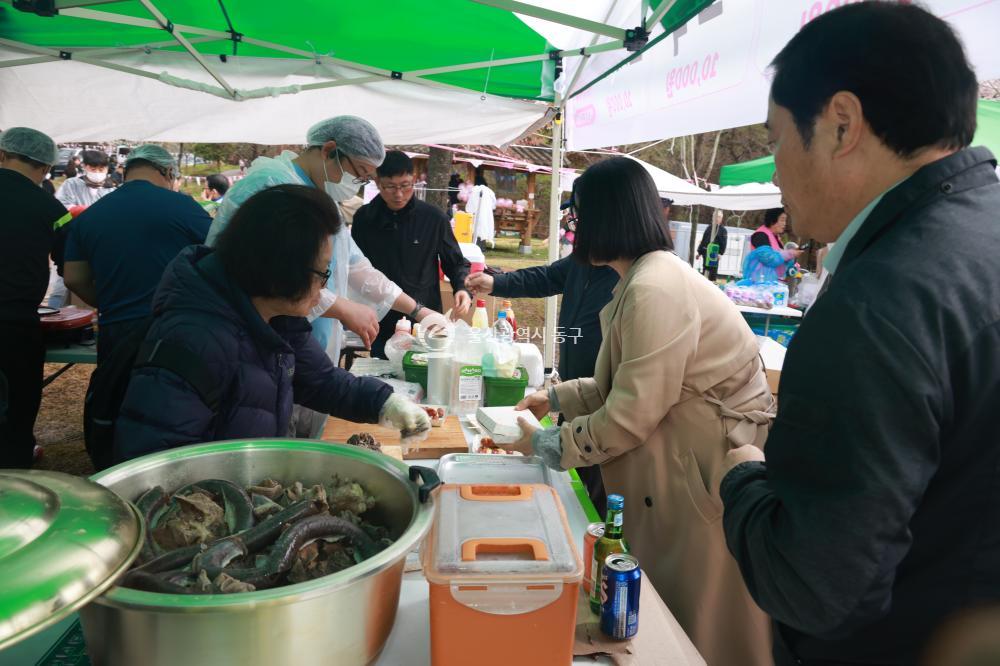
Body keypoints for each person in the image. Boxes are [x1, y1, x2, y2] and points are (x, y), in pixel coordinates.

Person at [718, 4, 1000, 665]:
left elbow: (814, 588)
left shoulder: (879, 303)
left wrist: (741, 480)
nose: (775, 170)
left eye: (778, 137)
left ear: (841, 124)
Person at [512, 157, 775, 665]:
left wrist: (547, 443)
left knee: (698, 614)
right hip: (686, 448)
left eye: (578, 216)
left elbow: (631, 414)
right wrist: (558, 397)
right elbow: (629, 380)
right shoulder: (642, 277)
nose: (573, 228)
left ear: (604, 218)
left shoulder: (654, 287)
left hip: (704, 464)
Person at [114, 185, 429, 462]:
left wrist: (385, 402)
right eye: (323, 273)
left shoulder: (276, 316)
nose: (325, 287)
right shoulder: (193, 340)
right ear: (281, 269)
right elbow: (156, 465)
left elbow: (320, 381)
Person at [206, 116, 448, 439]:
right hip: (256, 353)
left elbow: (357, 267)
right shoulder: (272, 187)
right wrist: (342, 307)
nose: (357, 185)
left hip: (302, 355)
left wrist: (419, 311)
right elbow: (272, 278)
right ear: (330, 151)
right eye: (358, 173)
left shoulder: (324, 199)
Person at [465, 234, 618, 515]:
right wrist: (497, 282)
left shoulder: (627, 274)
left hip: (607, 404)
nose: (578, 228)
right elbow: (546, 277)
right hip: (574, 395)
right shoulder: (584, 258)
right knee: (575, 489)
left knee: (600, 495)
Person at [63, 144, 212, 362]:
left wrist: (112, 303)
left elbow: (73, 278)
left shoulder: (91, 215)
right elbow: (223, 251)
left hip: (115, 329)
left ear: (126, 171)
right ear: (169, 172)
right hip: (172, 327)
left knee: (116, 392)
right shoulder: (183, 206)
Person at [352, 151, 472, 358]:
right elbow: (354, 268)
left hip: (425, 317)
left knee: (426, 372)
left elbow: (455, 261)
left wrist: (461, 287)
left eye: (405, 185)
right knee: (386, 376)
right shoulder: (365, 219)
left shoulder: (433, 218)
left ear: (414, 181)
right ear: (378, 182)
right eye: (390, 186)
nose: (398, 194)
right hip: (381, 317)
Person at [0, 127, 70, 468]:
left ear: (1, 155)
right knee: (18, 405)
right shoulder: (51, 207)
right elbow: (71, 268)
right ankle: (14, 474)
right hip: (14, 326)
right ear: (46, 168)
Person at [465, 170, 496, 247]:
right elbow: (493, 205)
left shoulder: (474, 190)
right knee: (484, 227)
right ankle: (482, 246)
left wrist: (469, 211)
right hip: (486, 213)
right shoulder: (490, 191)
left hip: (475, 212)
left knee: (475, 227)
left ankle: (475, 245)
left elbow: (469, 206)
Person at [696, 208, 728, 281]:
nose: (716, 218)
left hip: (715, 253)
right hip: (705, 251)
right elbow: (704, 240)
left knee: (713, 270)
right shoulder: (709, 228)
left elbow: (724, 243)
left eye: (718, 217)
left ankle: (712, 283)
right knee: (705, 268)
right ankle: (704, 284)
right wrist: (699, 252)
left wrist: (720, 253)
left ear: (721, 219)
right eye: (715, 216)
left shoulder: (723, 230)